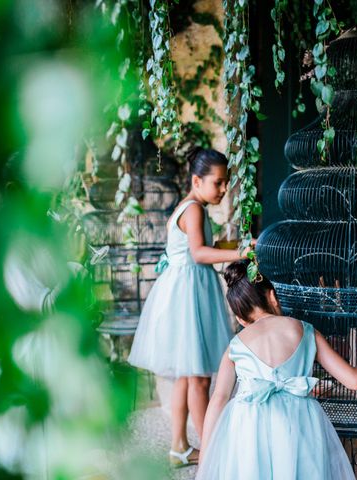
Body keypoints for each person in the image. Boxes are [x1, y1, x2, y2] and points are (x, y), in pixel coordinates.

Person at [196, 261, 357, 480]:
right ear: (273, 297)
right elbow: (354, 381)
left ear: (240, 319)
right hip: (300, 423)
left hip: (249, 429)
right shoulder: (305, 330)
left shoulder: (235, 346)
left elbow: (218, 400)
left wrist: (205, 462)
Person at [128, 147, 250, 467]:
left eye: (226, 182)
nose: (224, 189)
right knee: (199, 377)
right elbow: (198, 253)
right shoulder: (194, 209)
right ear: (197, 180)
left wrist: (233, 246)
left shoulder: (191, 206)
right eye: (219, 183)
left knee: (186, 373)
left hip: (187, 290)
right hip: (188, 295)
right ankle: (211, 451)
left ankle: (179, 447)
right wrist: (240, 254)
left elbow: (203, 247)